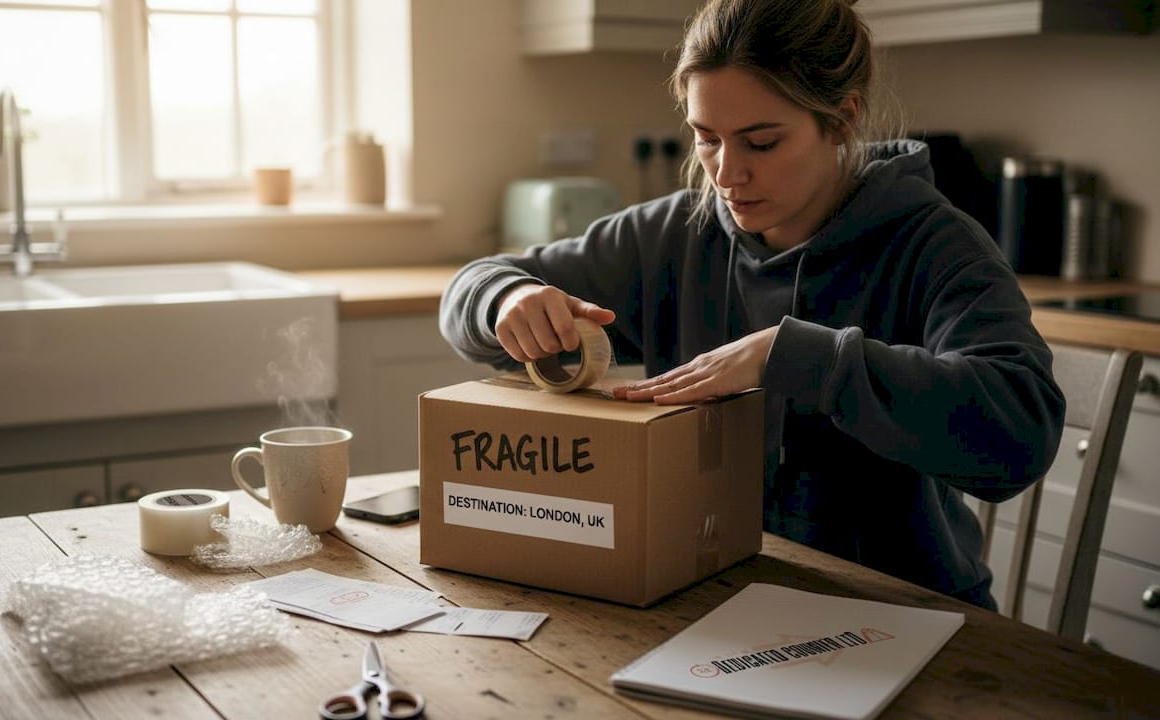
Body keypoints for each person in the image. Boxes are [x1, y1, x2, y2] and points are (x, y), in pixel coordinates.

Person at [439, 0, 1065, 610]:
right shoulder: (674, 236)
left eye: (760, 142)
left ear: (842, 119)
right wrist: (507, 298)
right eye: (705, 138)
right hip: (720, 595)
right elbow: (474, 287)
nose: (725, 173)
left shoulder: (935, 244)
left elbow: (1020, 434)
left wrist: (794, 355)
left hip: (905, 609)